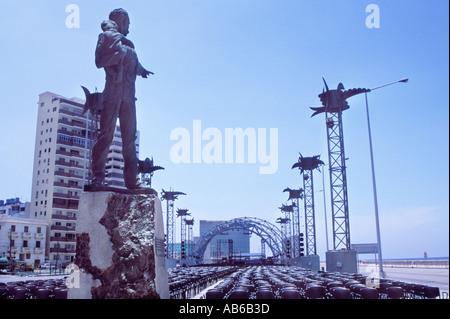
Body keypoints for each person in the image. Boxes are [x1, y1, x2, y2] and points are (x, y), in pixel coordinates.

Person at [91, 8, 152, 190]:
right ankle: (98, 177)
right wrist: (119, 54)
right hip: (112, 93)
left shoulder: (129, 45)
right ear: (122, 21)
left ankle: (132, 181)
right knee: (106, 135)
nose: (129, 28)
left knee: (129, 139)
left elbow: (134, 62)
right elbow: (99, 61)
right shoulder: (106, 37)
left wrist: (142, 70)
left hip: (129, 97)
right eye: (128, 24)